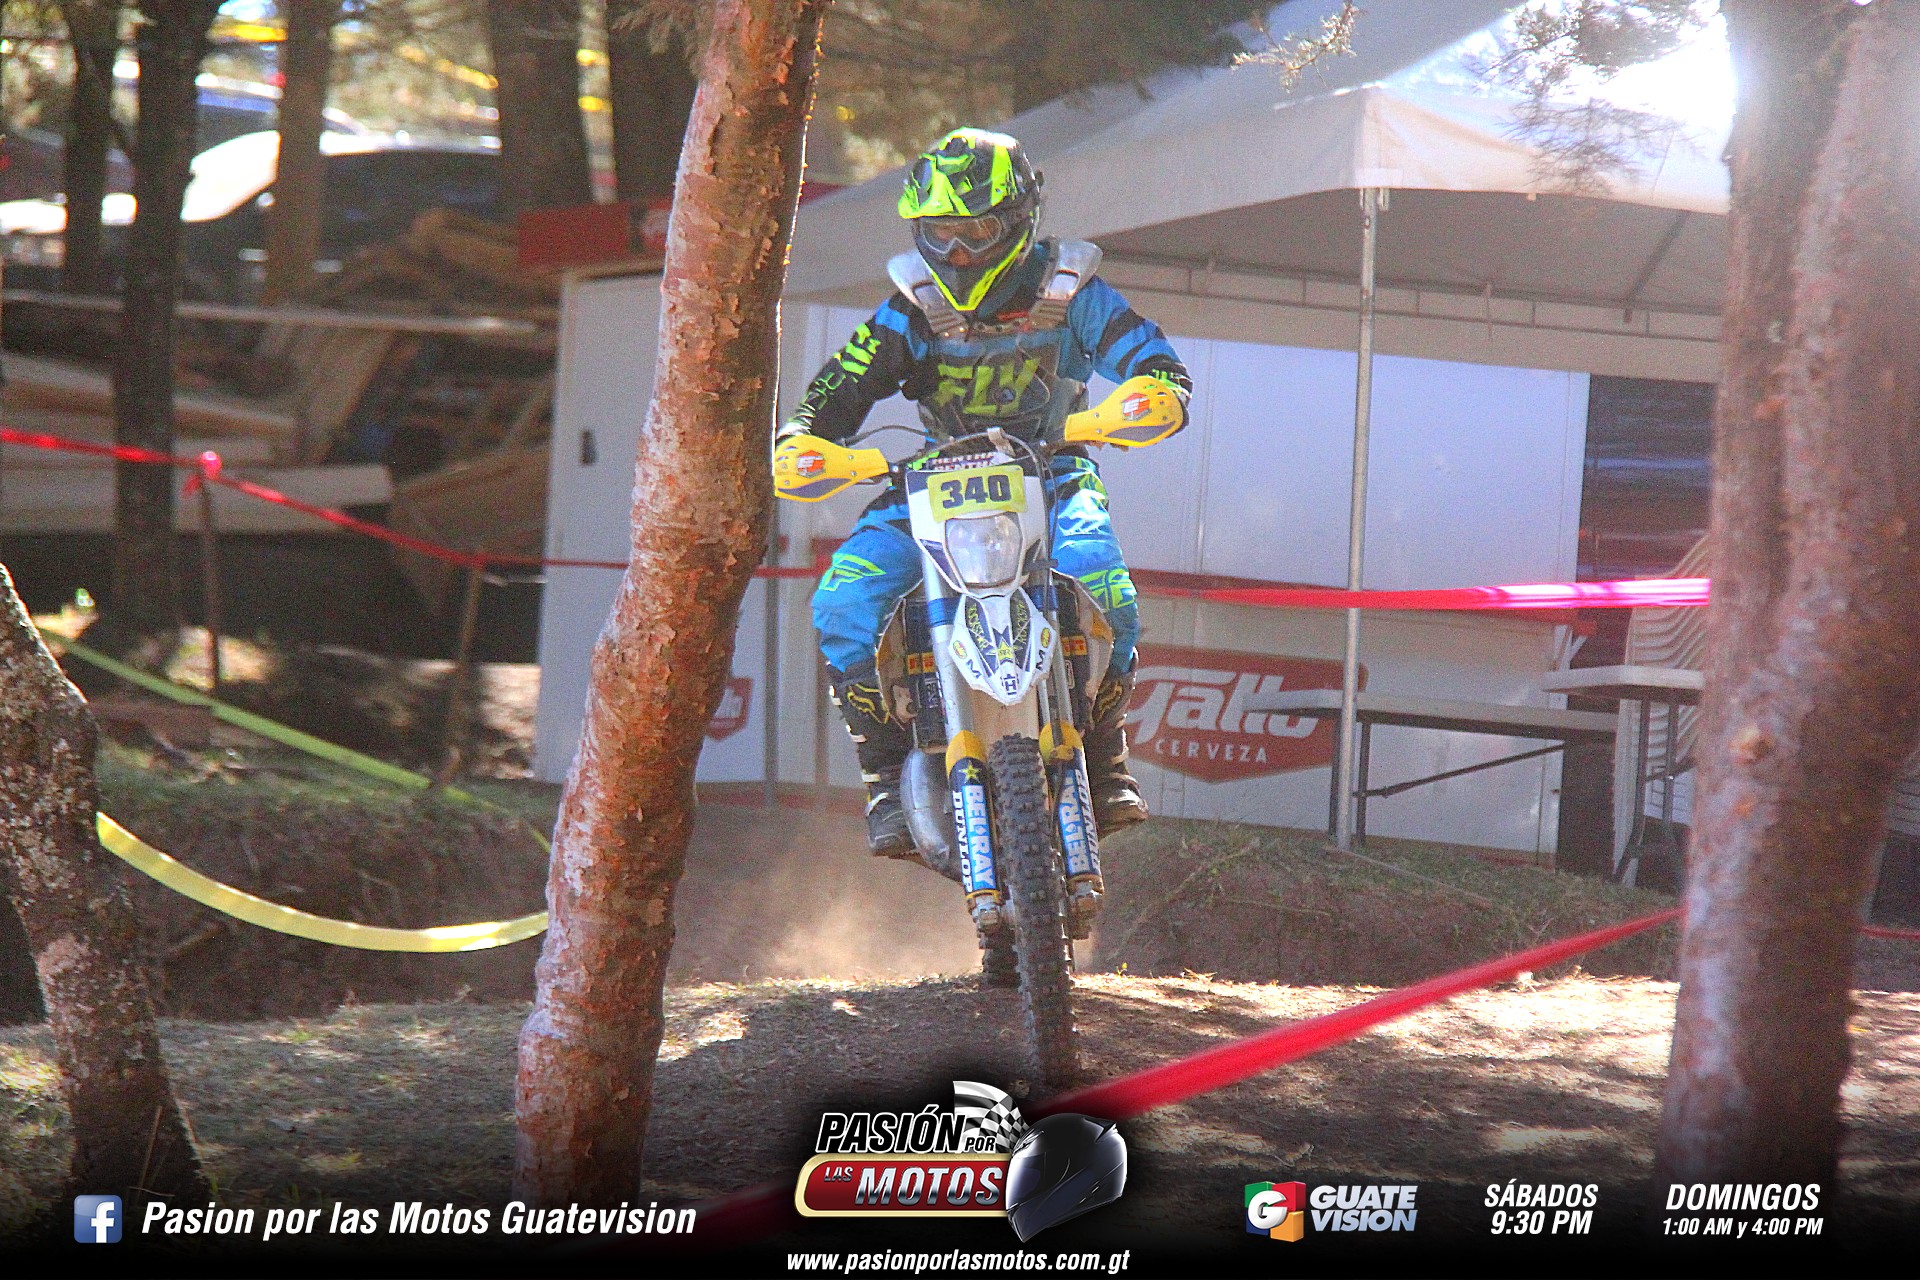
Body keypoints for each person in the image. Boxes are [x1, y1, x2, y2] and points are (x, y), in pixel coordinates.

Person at [778, 127, 1191, 858]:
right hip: (933, 483)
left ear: (1019, 219)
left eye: (975, 232)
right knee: (844, 602)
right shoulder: (913, 307)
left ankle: (1103, 757)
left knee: (1107, 589)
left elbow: (1156, 363)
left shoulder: (1068, 291)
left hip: (1053, 473)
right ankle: (884, 780)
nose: (959, 253)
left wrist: (1149, 395)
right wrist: (803, 443)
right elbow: (832, 397)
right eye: (940, 233)